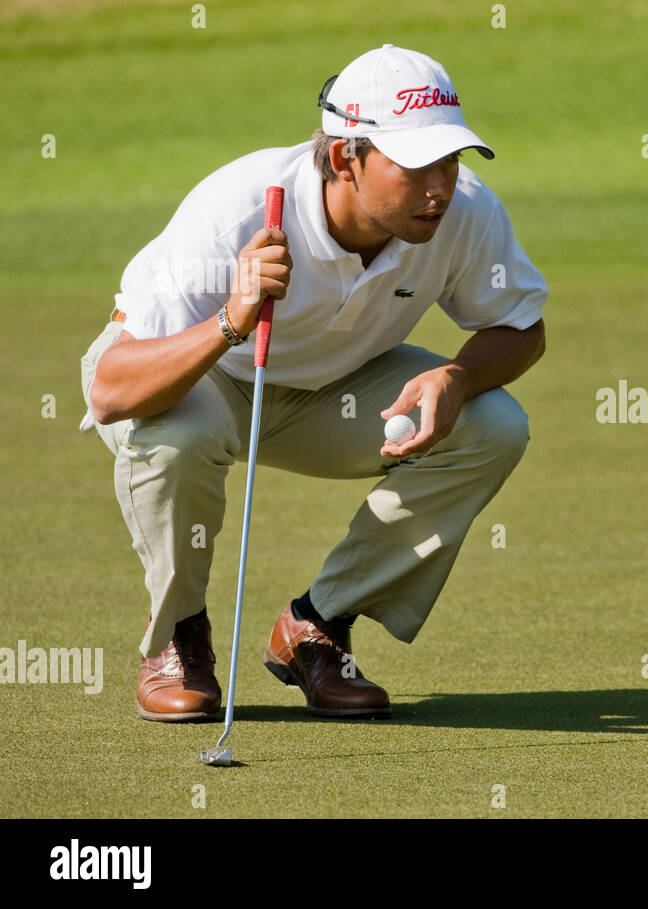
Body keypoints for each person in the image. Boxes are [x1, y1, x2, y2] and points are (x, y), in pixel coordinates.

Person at [78, 45, 546, 721]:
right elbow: (113, 390)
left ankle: (315, 627)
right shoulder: (232, 210)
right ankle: (178, 638)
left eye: (450, 160)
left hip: (335, 390)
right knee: (178, 433)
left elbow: (523, 327)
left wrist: (458, 374)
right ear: (342, 158)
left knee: (494, 424)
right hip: (207, 376)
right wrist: (229, 321)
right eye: (416, 165)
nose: (440, 185)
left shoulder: (462, 213)